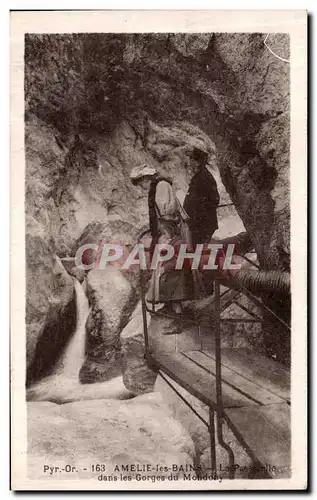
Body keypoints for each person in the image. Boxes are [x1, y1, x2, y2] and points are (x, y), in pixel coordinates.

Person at [130, 164, 201, 315]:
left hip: (169, 231)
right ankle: (170, 305)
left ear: (146, 178)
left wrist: (165, 236)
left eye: (140, 182)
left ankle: (178, 312)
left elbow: (168, 213)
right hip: (165, 230)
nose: (141, 187)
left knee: (170, 269)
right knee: (164, 268)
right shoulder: (158, 186)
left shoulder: (161, 186)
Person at [184, 147, 220, 246]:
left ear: (197, 162)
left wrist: (197, 211)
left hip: (202, 225)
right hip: (197, 225)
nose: (189, 161)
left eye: (191, 158)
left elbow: (215, 199)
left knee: (198, 253)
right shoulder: (198, 176)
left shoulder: (205, 177)